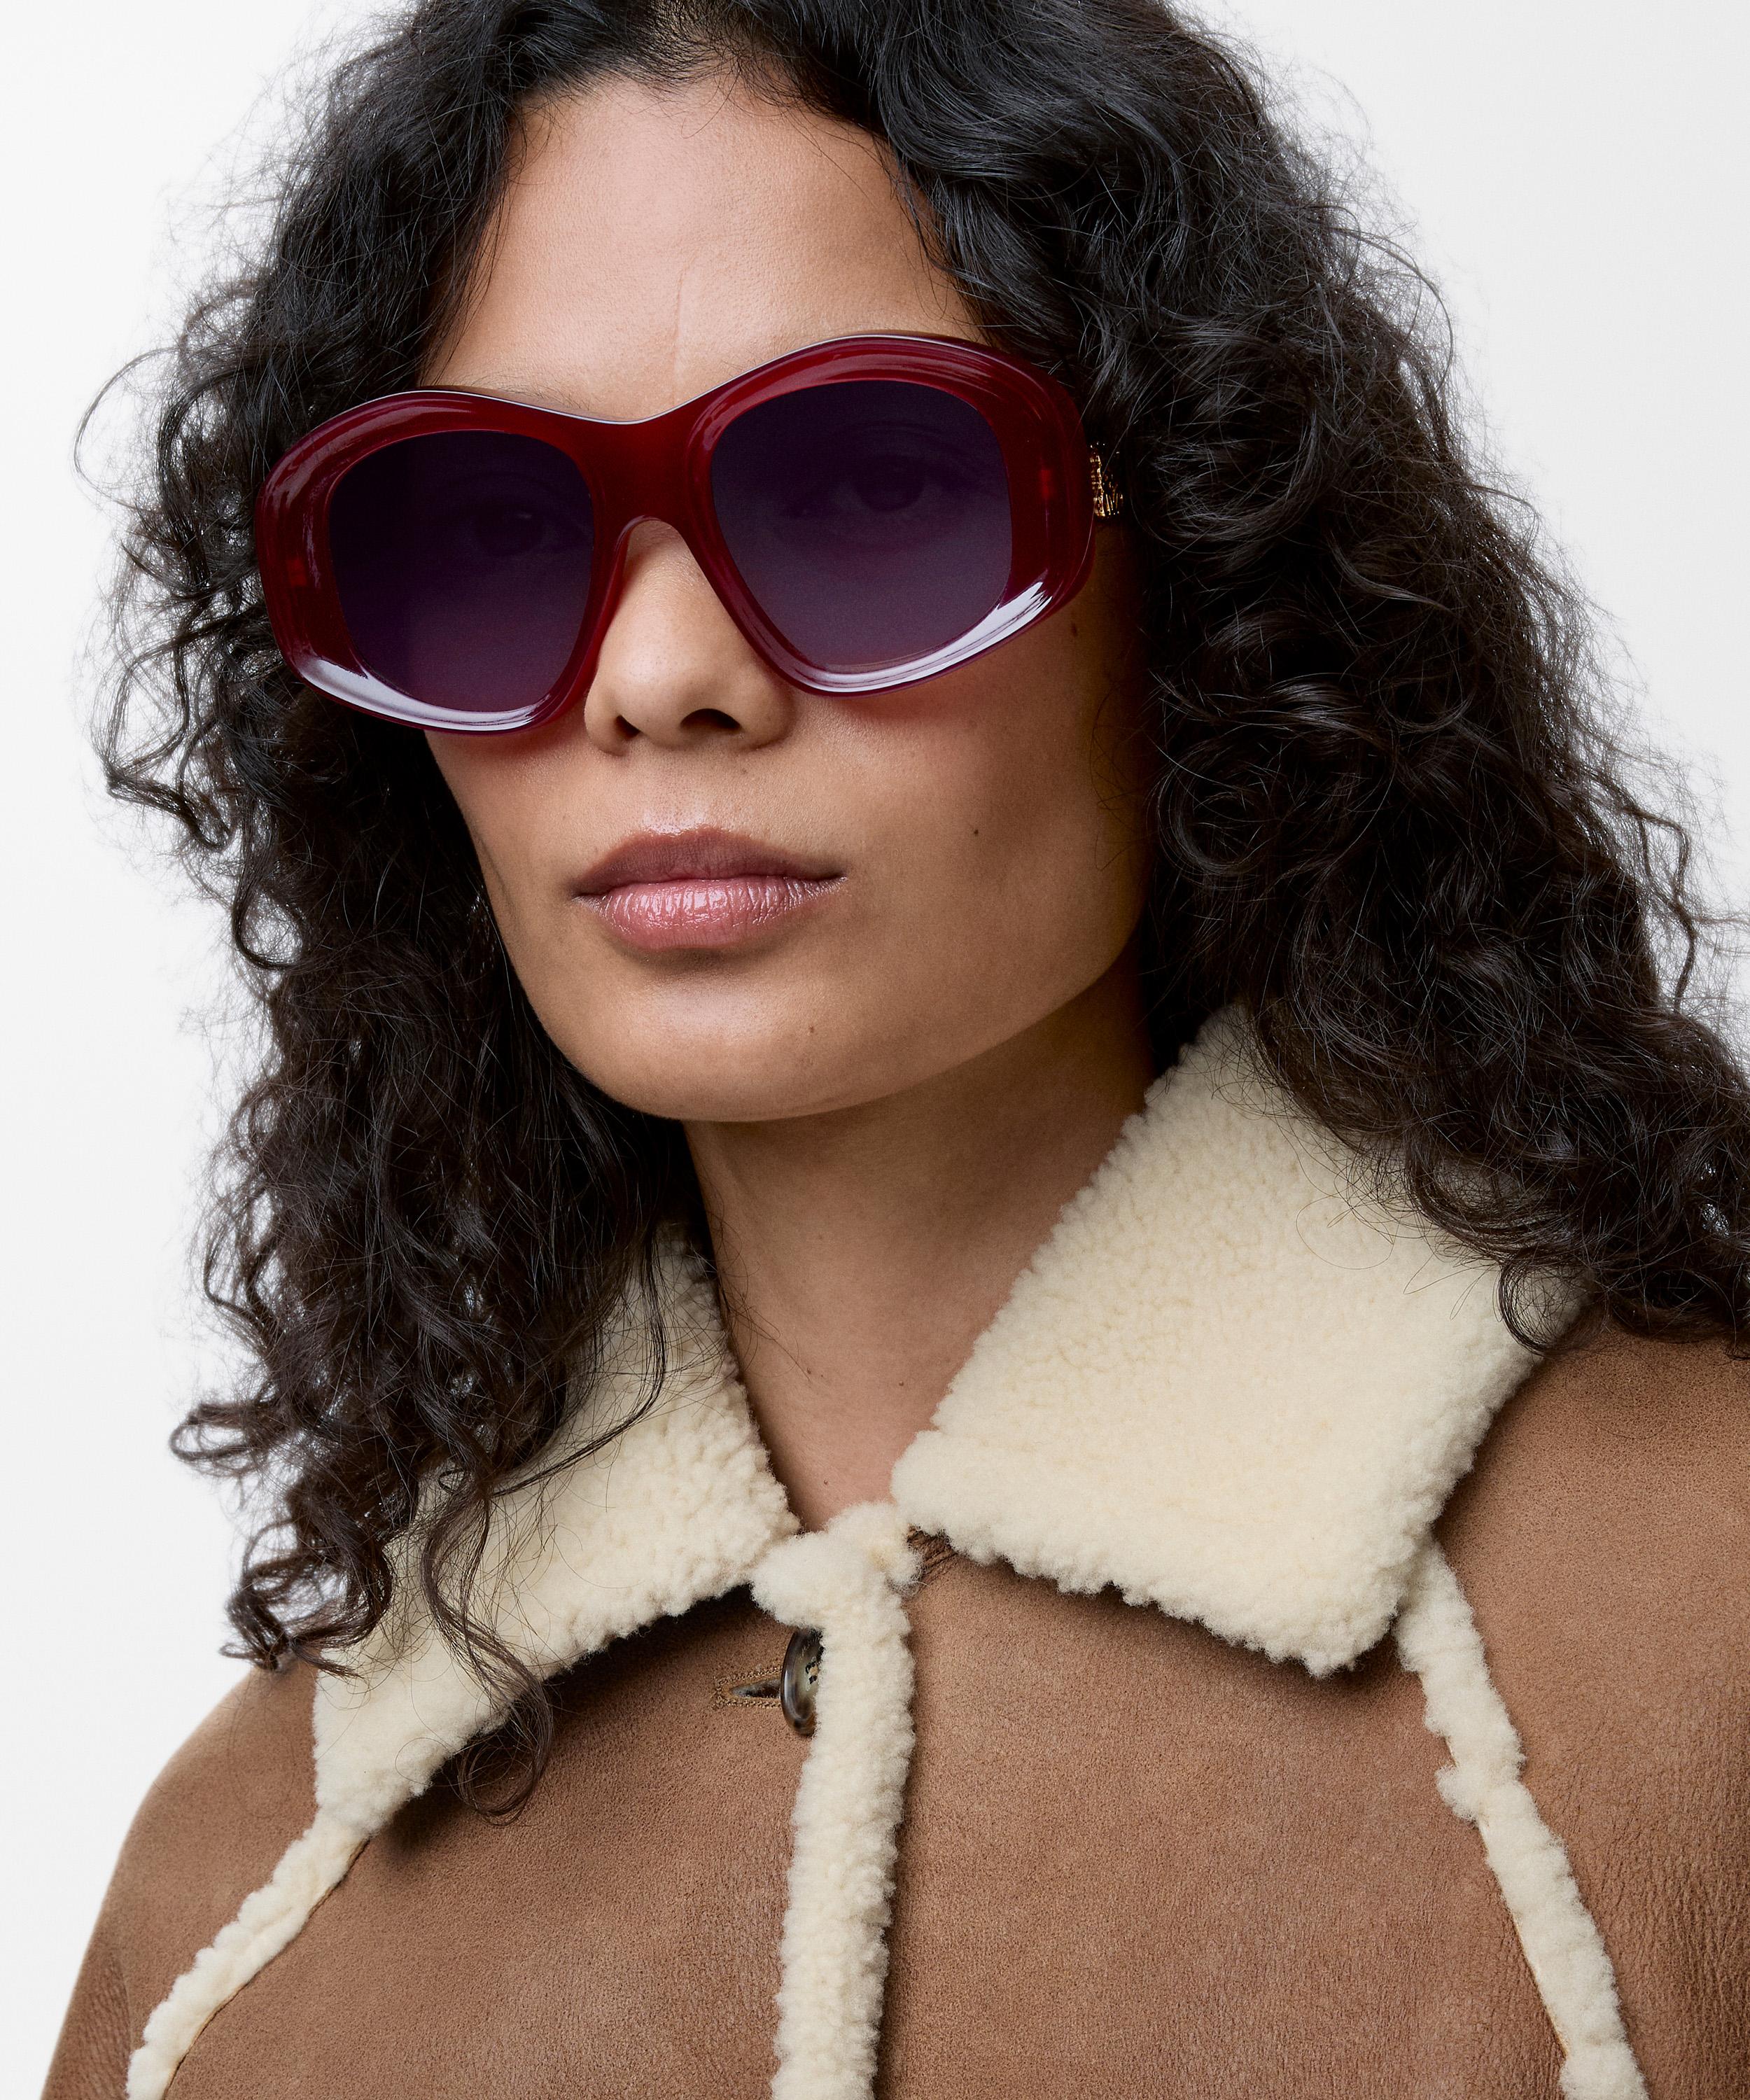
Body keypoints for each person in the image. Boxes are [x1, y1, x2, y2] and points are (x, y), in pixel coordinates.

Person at [43, 1, 1750, 2094]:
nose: (657, 674)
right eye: (485, 532)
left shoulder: (1700, 1650)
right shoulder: (238, 1906)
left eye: (868, 484)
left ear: (1207, 568)